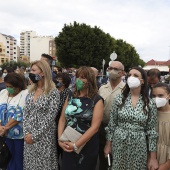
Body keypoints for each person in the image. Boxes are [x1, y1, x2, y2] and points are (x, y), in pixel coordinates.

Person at [104, 66, 158, 170]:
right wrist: (108, 145)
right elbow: (112, 124)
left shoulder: (149, 103)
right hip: (119, 142)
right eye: (129, 75)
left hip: (139, 144)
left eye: (135, 75)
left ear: (142, 81)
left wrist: (153, 158)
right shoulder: (119, 99)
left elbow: (152, 131)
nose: (131, 77)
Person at [58, 66, 104, 170]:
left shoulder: (97, 100)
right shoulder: (70, 97)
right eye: (77, 76)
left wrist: (76, 145)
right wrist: (60, 140)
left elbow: (94, 127)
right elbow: (62, 119)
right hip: (68, 143)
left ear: (90, 80)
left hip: (87, 145)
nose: (78, 80)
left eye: (83, 77)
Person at [23, 60, 60, 170]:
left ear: (43, 72)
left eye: (34, 70)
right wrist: (26, 133)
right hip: (28, 137)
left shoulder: (53, 92)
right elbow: (26, 113)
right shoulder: (31, 91)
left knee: (44, 166)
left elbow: (50, 118)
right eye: (30, 70)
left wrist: (34, 136)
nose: (31, 73)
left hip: (44, 138)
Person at [98, 61, 125, 170]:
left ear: (122, 73)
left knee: (117, 160)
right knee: (102, 158)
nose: (112, 71)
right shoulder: (102, 88)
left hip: (119, 129)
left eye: (116, 69)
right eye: (110, 68)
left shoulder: (126, 89)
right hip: (102, 128)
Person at [0, 72, 28, 170]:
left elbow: (19, 114)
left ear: (18, 86)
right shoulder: (2, 93)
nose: (9, 88)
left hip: (18, 135)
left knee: (18, 160)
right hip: (4, 134)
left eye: (11, 86)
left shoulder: (25, 94)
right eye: (7, 85)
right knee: (7, 159)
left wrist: (5, 128)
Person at [55, 72, 71, 168]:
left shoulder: (67, 93)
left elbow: (61, 109)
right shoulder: (55, 91)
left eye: (59, 79)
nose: (56, 81)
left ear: (64, 82)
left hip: (63, 125)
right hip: (54, 125)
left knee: (63, 152)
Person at [152, 83, 170, 169]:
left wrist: (167, 165)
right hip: (151, 157)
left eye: (160, 95)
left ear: (168, 96)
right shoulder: (150, 113)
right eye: (154, 96)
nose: (157, 99)